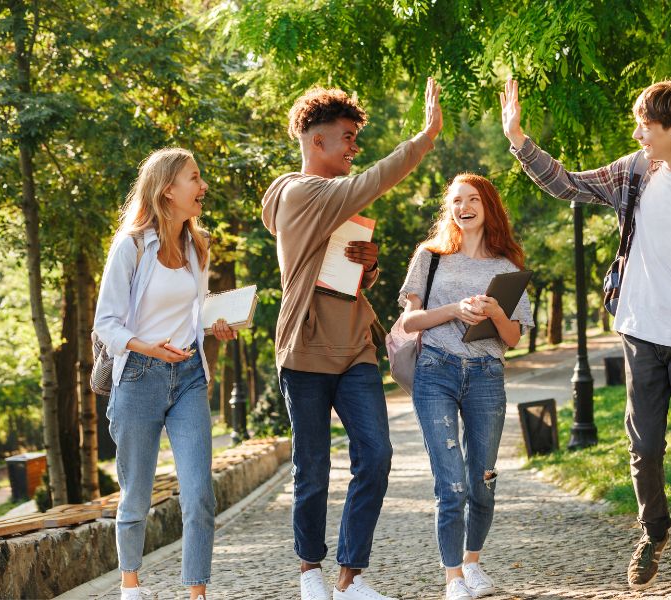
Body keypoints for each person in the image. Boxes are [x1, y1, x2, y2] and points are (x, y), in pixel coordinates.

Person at [499, 79, 671, 596]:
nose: (637, 134)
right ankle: (653, 533)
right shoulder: (635, 171)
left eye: (644, 127)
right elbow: (570, 185)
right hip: (641, 331)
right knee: (644, 448)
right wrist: (519, 140)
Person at [260, 78, 443, 600]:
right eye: (346, 137)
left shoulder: (331, 202)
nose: (353, 147)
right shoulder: (301, 193)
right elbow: (373, 180)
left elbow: (338, 268)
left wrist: (371, 264)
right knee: (312, 467)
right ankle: (309, 574)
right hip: (306, 350)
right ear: (316, 143)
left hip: (356, 347)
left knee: (377, 455)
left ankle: (351, 577)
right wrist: (424, 137)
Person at [94, 147, 237, 600]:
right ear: (167, 188)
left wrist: (213, 325)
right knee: (136, 494)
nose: (203, 187)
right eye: (195, 178)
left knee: (199, 494)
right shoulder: (132, 245)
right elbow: (107, 323)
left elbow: (191, 312)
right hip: (138, 376)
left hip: (189, 376)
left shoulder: (199, 244)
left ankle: (197, 593)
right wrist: (145, 345)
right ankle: (130, 586)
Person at [398, 173, 534, 600]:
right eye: (456, 200)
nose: (464, 207)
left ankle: (473, 563)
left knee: (482, 480)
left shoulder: (507, 267)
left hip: (486, 376)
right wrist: (455, 309)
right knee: (451, 482)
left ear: (488, 206)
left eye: (473, 199)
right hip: (435, 370)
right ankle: (452, 578)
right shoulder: (430, 256)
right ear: (449, 208)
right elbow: (409, 322)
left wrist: (494, 311)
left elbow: (512, 338)